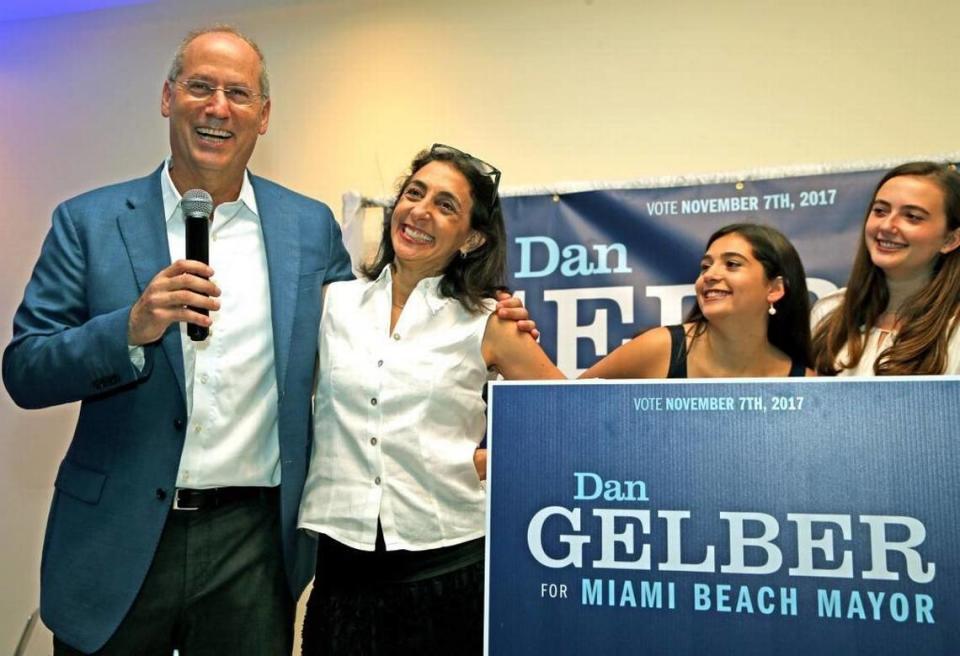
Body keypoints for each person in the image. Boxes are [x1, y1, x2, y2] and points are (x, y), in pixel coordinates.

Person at [1, 27, 534, 655]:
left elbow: (378, 329)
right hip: (117, 539)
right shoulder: (87, 222)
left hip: (252, 547)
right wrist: (129, 330)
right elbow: (26, 369)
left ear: (264, 116)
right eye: (200, 86)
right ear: (168, 97)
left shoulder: (306, 228)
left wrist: (486, 307)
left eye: (238, 93)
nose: (217, 107)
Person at [297, 144, 564, 655]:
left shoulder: (491, 321)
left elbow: (570, 421)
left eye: (446, 205)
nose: (420, 211)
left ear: (473, 238)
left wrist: (493, 458)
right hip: (340, 577)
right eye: (414, 193)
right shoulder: (333, 304)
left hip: (448, 575)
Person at [581, 223, 813, 379]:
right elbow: (565, 407)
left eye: (732, 264)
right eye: (705, 266)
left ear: (774, 289)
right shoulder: (660, 348)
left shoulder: (806, 381)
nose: (709, 275)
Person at [811, 162, 960, 375]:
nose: (886, 226)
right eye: (880, 211)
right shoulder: (829, 311)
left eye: (912, 217)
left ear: (950, 239)